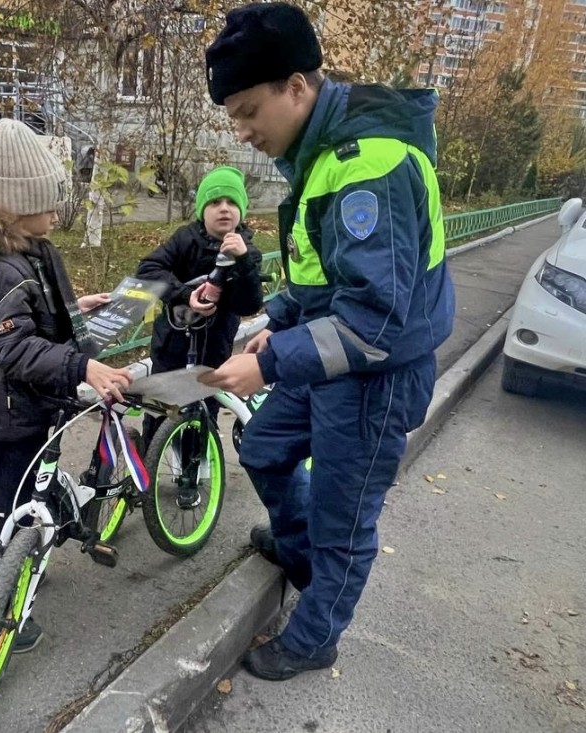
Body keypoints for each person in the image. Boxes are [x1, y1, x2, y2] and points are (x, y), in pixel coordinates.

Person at [199, 2, 455, 680]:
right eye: (233, 117)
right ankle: (298, 544)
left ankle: (315, 637)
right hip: (331, 355)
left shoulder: (367, 163)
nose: (243, 131)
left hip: (376, 375)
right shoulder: (320, 152)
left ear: (296, 86)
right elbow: (326, 280)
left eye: (249, 110)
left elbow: (377, 322)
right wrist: (273, 324)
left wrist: (274, 359)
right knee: (264, 444)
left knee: (345, 522)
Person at [0, 119, 131, 651]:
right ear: (19, 205)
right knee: (6, 508)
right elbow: (13, 347)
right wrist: (82, 368)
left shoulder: (23, 250)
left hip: (29, 401)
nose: (57, 212)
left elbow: (25, 316)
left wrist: (71, 311)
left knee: (23, 496)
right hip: (9, 409)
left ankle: (16, 568)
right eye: (48, 201)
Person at [136, 165, 264, 447]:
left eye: (232, 202)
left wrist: (243, 262)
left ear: (241, 210)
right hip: (172, 343)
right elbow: (148, 269)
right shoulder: (186, 239)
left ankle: (196, 468)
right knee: (160, 408)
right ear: (202, 210)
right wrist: (183, 293)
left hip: (214, 347)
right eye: (215, 202)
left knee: (206, 409)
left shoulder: (248, 250)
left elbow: (249, 304)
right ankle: (147, 467)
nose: (224, 209)